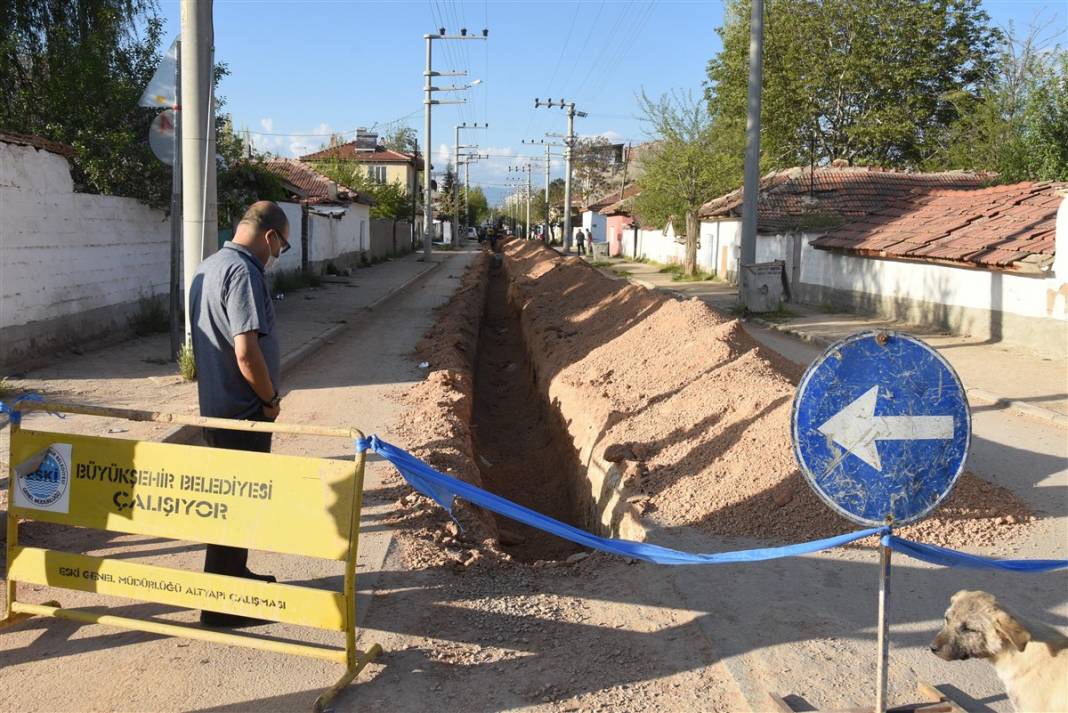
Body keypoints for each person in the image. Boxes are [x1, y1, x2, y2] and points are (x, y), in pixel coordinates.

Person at [189, 200, 288, 628]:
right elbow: (246, 353)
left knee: (232, 504)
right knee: (234, 505)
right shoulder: (244, 272)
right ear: (269, 237)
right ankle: (221, 607)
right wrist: (268, 401)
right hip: (243, 411)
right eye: (281, 245)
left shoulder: (208, 266)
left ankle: (235, 577)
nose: (278, 254)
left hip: (217, 406)